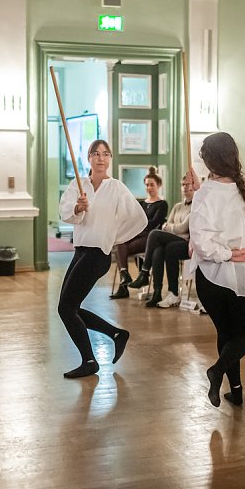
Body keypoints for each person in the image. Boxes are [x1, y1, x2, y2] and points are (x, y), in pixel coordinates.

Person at [57, 139, 147, 378]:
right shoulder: (79, 184)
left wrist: (113, 238)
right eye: (96, 154)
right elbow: (63, 211)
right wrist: (77, 208)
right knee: (69, 308)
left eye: (106, 154)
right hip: (81, 251)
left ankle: (90, 360)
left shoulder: (116, 187)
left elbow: (138, 218)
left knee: (66, 309)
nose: (101, 158)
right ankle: (116, 334)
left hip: (98, 254)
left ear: (110, 159)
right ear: (89, 158)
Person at [186, 132, 245, 408]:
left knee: (228, 334)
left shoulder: (206, 193)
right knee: (243, 336)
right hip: (241, 270)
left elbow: (202, 242)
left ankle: (232, 386)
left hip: (213, 276)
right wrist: (231, 252)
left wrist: (226, 252)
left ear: (210, 160)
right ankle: (220, 374)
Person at [127, 180, 194, 308]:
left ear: (194, 186)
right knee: (159, 249)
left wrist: (171, 228)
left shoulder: (196, 205)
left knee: (154, 234)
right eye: (183, 184)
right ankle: (158, 292)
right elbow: (166, 225)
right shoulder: (178, 206)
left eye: (188, 184)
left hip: (187, 242)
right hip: (173, 239)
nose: (185, 187)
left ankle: (144, 272)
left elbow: (183, 228)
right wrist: (173, 228)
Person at [110, 167, 168, 299]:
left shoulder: (162, 204)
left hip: (150, 238)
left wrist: (138, 226)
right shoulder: (141, 204)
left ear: (158, 185)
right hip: (136, 234)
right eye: (147, 185)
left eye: (152, 184)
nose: (149, 187)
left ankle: (124, 285)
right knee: (120, 242)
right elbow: (133, 220)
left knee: (122, 249)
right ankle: (125, 277)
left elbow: (153, 223)